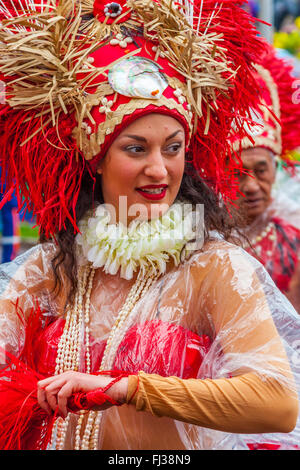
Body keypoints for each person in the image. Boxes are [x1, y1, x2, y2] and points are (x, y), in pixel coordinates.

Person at [0, 0, 299, 451]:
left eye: (173, 148)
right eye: (136, 149)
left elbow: (278, 403)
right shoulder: (47, 270)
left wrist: (128, 389)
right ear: (95, 158)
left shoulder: (214, 267)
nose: (160, 170)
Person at [231, 44, 300, 311]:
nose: (250, 186)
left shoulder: (294, 238)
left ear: (275, 169)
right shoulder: (201, 241)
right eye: (237, 174)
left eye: (260, 171)